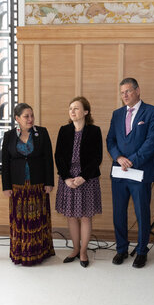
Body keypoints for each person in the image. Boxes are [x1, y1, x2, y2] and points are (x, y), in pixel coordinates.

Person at [106, 77, 154, 269]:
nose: (125, 95)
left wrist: (133, 161)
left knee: (142, 213)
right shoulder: (117, 114)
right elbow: (110, 140)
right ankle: (121, 249)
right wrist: (119, 158)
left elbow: (152, 141)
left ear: (138, 91)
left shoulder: (152, 112)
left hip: (140, 172)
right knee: (119, 213)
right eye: (122, 93)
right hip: (120, 172)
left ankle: (141, 251)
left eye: (128, 91)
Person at [1, 103, 55, 266]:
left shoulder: (42, 133)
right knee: (20, 221)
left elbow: (48, 160)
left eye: (31, 115)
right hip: (17, 186)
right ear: (17, 118)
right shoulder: (9, 136)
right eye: (26, 116)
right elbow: (5, 163)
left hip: (38, 185)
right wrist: (6, 186)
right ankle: (21, 253)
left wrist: (49, 182)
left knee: (38, 220)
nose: (30, 119)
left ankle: (40, 252)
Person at [54, 97, 102, 268]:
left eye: (76, 108)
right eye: (70, 108)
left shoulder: (94, 131)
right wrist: (67, 178)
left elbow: (97, 158)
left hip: (86, 179)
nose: (72, 111)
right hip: (67, 179)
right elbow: (58, 156)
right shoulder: (64, 130)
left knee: (85, 216)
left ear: (86, 112)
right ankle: (75, 249)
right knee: (71, 216)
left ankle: (83, 252)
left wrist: (83, 177)